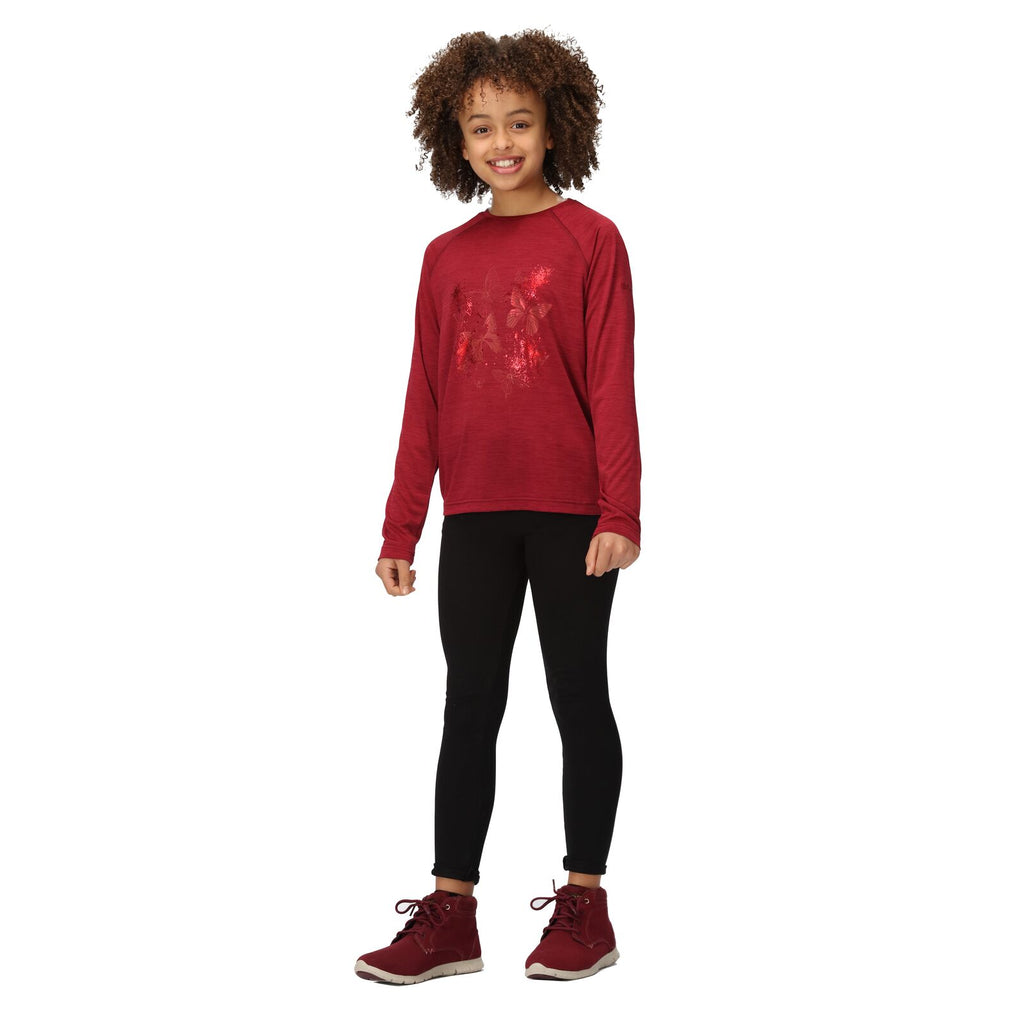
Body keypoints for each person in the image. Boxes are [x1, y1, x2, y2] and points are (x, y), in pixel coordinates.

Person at [354, 29, 642, 985]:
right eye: (481, 127)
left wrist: (621, 513)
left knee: (578, 697)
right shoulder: (444, 256)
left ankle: (586, 904)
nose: (502, 141)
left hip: (571, 516)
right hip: (474, 514)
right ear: (457, 139)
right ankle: (451, 914)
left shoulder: (592, 240)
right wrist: (402, 524)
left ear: (556, 128)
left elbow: (612, 383)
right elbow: (424, 396)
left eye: (520, 122)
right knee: (468, 705)